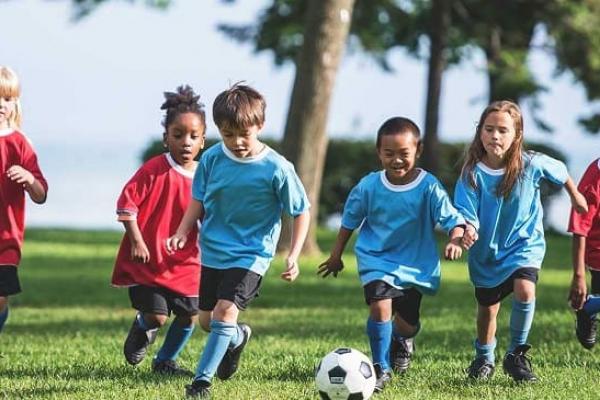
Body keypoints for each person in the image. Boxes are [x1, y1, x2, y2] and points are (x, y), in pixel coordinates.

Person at [166, 83, 310, 398]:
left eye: (245, 134)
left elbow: (300, 212)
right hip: (214, 251)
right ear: (218, 130)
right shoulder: (213, 159)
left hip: (252, 255)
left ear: (260, 126)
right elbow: (198, 200)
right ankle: (236, 338)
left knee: (224, 312)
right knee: (207, 321)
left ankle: (201, 382)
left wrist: (294, 255)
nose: (237, 142)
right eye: (228, 134)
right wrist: (181, 231)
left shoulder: (277, 167)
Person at [317, 117, 465, 392]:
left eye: (404, 154)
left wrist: (456, 238)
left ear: (417, 150)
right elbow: (349, 220)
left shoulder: (428, 186)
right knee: (380, 305)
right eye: (389, 154)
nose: (396, 160)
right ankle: (380, 367)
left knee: (408, 324)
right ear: (378, 152)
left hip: (415, 265)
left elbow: (451, 218)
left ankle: (402, 340)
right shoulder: (369, 186)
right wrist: (336, 255)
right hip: (377, 258)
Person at [455, 100, 588, 382]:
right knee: (487, 310)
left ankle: (516, 355)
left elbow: (561, 172)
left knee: (525, 290)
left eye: (503, 130)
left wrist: (575, 196)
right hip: (486, 253)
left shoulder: (532, 163)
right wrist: (469, 230)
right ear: (480, 132)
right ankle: (484, 357)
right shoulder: (471, 174)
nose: (495, 136)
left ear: (517, 134)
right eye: (489, 129)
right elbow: (467, 212)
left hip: (524, 245)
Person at [111, 85, 205, 375]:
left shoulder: (206, 175)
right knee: (157, 317)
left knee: (190, 315)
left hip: (188, 262)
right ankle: (142, 327)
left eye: (193, 136)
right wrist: (137, 241)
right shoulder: (154, 169)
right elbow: (127, 206)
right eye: (178, 135)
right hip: (149, 261)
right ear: (166, 138)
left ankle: (165, 361)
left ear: (202, 141)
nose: (186, 142)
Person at [0, 66, 48, 335]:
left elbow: (40, 194)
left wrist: (29, 178)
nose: (1, 104)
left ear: (15, 102)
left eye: (7, 98)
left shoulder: (20, 143)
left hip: (6, 238)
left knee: (0, 298)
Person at [567, 157, 600, 350]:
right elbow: (579, 227)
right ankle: (587, 308)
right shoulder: (595, 177)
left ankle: (590, 306)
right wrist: (579, 276)